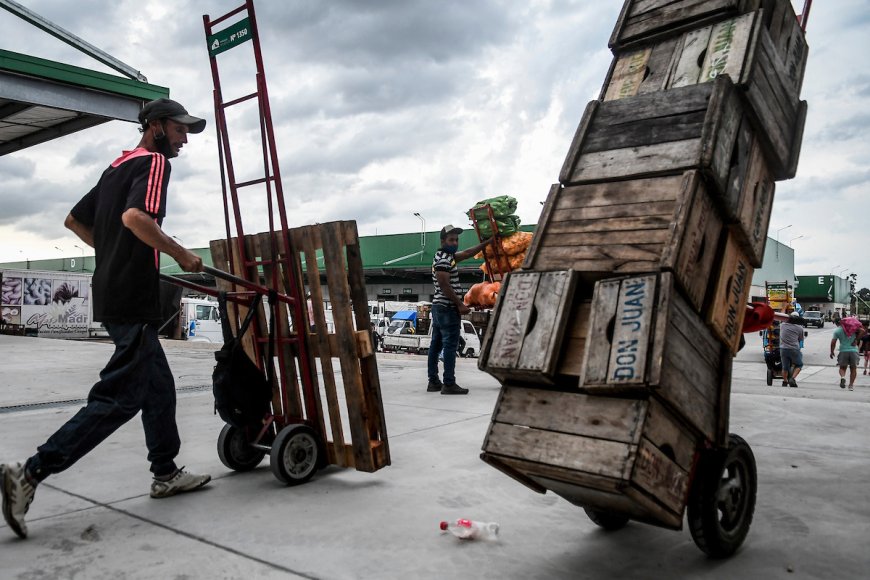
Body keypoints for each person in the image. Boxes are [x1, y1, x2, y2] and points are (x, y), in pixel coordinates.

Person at [1, 98, 211, 540]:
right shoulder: (153, 163)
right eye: (179, 129)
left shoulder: (116, 167)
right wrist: (181, 254)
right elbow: (136, 217)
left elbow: (74, 220)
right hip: (132, 294)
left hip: (112, 290)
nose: (184, 139)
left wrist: (112, 251)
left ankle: (166, 471)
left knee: (158, 387)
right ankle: (31, 472)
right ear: (155, 126)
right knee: (119, 398)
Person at [427, 225, 491, 395]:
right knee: (449, 345)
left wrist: (485, 243)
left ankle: (433, 382)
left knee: (436, 345)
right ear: (443, 241)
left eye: (456, 240)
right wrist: (459, 304)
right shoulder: (443, 259)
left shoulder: (448, 257)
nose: (455, 243)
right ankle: (448, 383)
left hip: (440, 308)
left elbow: (468, 253)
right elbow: (444, 284)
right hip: (447, 308)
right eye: (451, 240)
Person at [831, 317, 865, 391]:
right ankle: (851, 385)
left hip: (843, 351)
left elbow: (833, 342)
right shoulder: (852, 328)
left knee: (842, 368)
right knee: (853, 368)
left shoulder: (837, 331)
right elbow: (862, 330)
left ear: (837, 324)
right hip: (854, 351)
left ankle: (843, 377)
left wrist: (832, 351)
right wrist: (856, 340)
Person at [779, 311, 805, 387]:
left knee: (785, 367)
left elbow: (781, 315)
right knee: (799, 364)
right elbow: (801, 339)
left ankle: (784, 381)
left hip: (783, 349)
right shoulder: (800, 328)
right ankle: (792, 378)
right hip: (794, 349)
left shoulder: (782, 325)